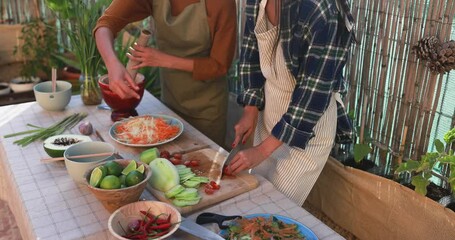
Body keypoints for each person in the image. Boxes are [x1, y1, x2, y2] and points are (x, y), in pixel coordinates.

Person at [227, 0, 356, 206]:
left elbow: (313, 95)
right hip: (268, 117)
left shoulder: (322, 10)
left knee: (273, 209)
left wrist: (261, 150)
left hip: (306, 131)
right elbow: (251, 49)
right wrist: (250, 109)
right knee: (255, 200)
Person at [93, 0, 237, 147]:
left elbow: (220, 65)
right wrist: (112, 64)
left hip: (207, 109)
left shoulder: (221, 3)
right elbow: (105, 24)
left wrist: (164, 60)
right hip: (169, 104)